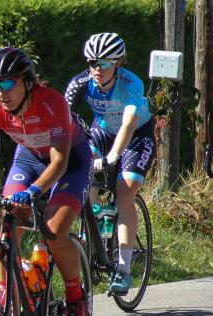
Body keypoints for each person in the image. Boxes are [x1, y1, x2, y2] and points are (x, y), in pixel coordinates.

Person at [0, 47, 93, 316]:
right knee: (9, 223)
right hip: (29, 159)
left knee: (53, 229)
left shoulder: (52, 103)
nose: (0, 92)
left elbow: (59, 161)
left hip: (70, 160)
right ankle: (4, 300)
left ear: (27, 81)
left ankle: (75, 298)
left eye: (7, 84)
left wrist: (36, 191)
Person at [65, 32, 156, 294]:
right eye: (93, 63)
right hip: (102, 131)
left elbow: (128, 125)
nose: (97, 69)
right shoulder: (81, 82)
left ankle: (124, 270)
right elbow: (62, 115)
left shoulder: (131, 84)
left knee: (124, 191)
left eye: (104, 63)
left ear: (118, 63)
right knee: (84, 176)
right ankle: (96, 223)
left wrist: (113, 157)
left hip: (136, 135)